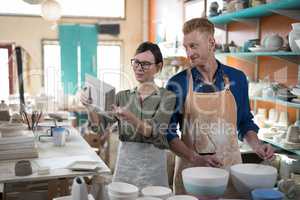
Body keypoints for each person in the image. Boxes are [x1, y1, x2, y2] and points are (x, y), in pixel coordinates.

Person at [165, 18, 274, 196]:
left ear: (211, 43)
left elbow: (245, 122)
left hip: (229, 170)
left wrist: (257, 145)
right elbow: (168, 133)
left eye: (193, 46)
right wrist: (195, 158)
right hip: (192, 172)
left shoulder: (237, 78)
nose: (189, 53)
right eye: (186, 47)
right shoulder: (177, 83)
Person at [81, 42, 176, 189]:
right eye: (136, 62)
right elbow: (99, 126)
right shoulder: (122, 96)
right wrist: (90, 107)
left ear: (158, 67)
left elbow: (153, 130)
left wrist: (130, 117)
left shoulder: (167, 97)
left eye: (145, 64)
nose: (139, 68)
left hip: (153, 166)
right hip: (126, 164)